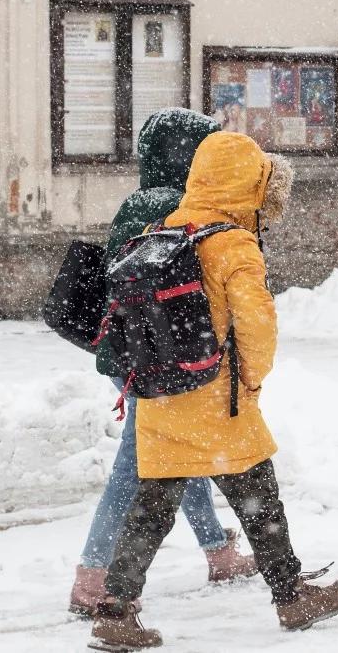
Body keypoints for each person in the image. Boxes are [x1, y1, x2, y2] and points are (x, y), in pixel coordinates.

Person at [88, 131, 338, 651]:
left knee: (151, 507)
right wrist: (252, 380)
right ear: (247, 184)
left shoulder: (162, 229)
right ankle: (292, 597)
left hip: (164, 390)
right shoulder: (233, 241)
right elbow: (257, 325)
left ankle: (115, 611)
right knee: (259, 498)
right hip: (219, 397)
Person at [69, 109, 257, 618]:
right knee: (136, 466)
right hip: (156, 356)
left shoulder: (139, 202)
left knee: (176, 450)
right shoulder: (178, 206)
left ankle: (218, 553)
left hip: (129, 351)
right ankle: (92, 577)